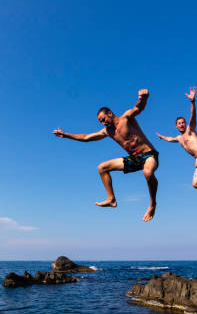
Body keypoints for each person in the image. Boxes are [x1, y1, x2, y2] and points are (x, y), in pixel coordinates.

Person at [53, 89, 159, 222]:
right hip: (135, 159)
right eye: (101, 122)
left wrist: (143, 98)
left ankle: (152, 205)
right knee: (102, 168)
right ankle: (111, 199)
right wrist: (66, 135)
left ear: (110, 113)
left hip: (149, 155)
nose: (103, 123)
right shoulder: (108, 131)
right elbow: (86, 137)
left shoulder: (126, 119)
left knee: (148, 172)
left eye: (104, 119)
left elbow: (138, 108)